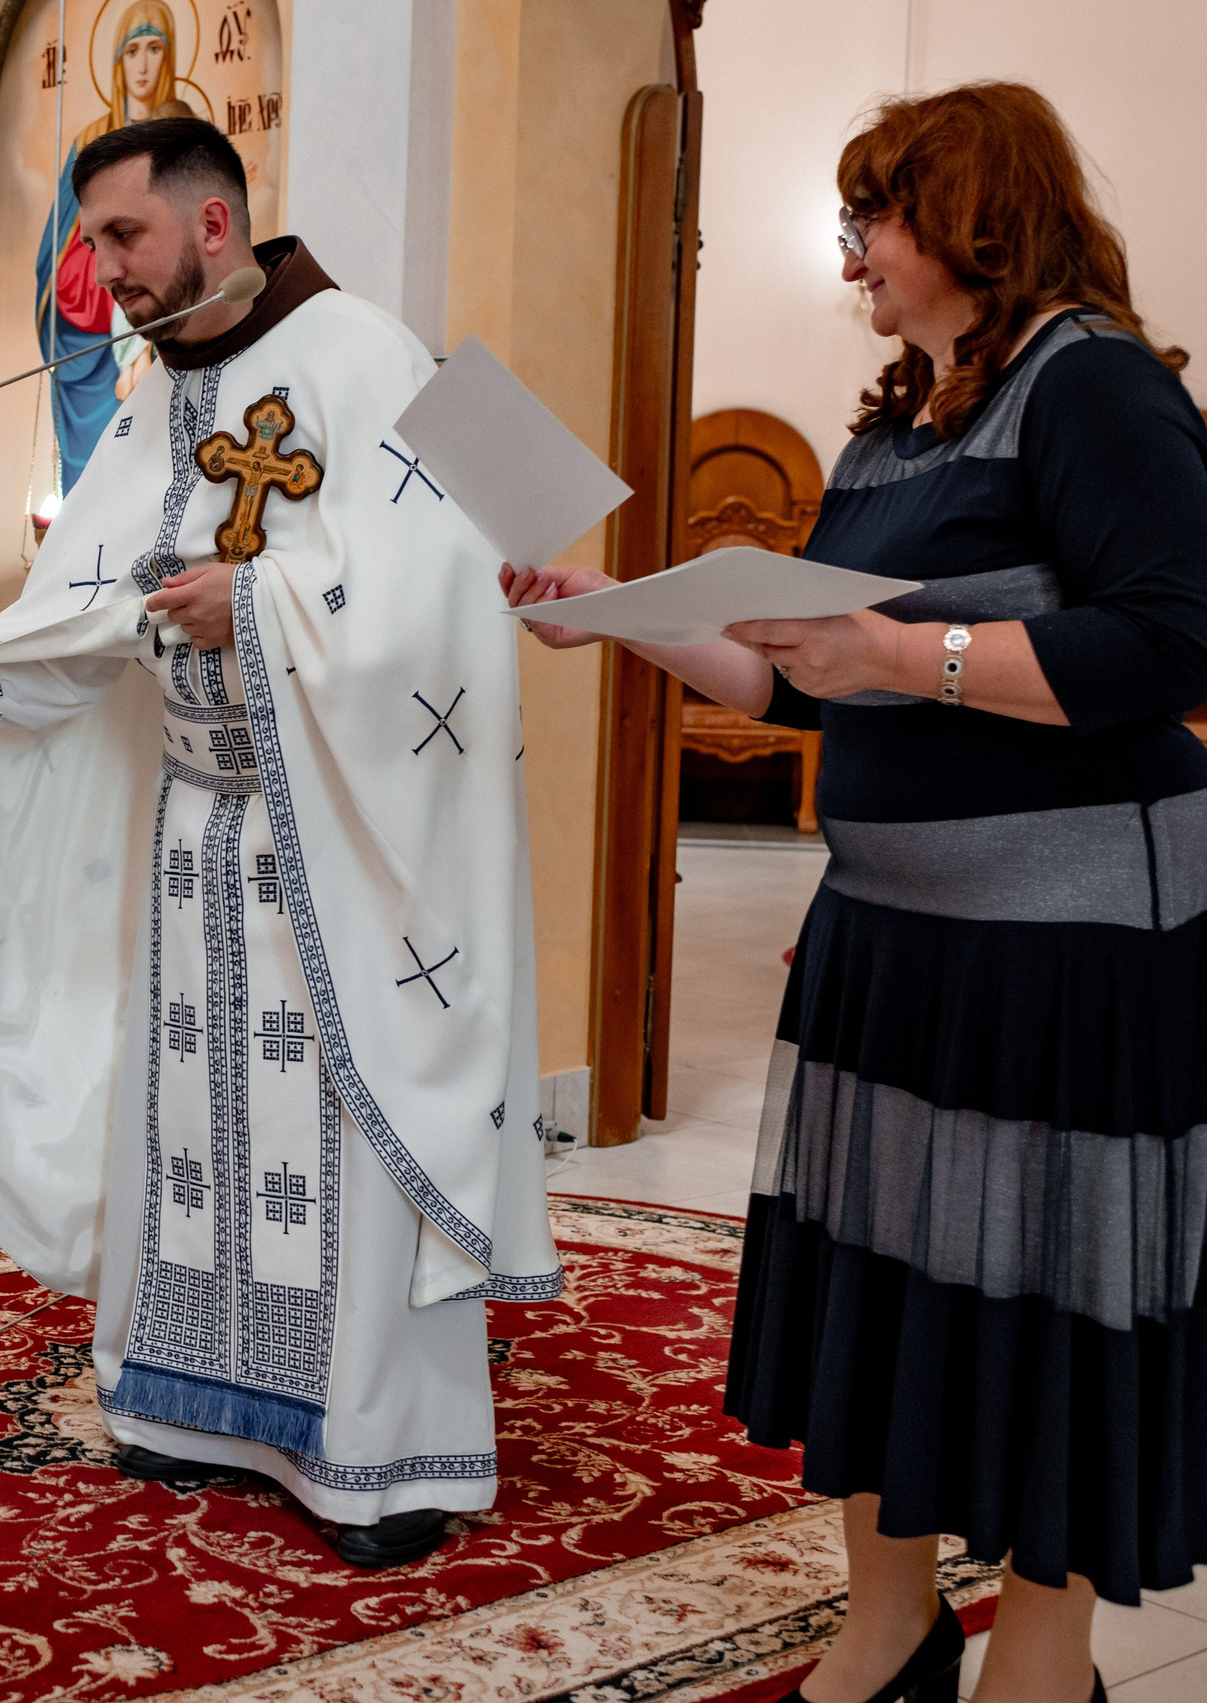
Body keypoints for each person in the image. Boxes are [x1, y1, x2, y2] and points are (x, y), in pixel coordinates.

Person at [507, 83, 1207, 1703]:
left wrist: (902, 650)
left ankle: (1046, 1662)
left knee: (1047, 1301)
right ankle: (884, 1629)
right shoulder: (891, 433)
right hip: (895, 944)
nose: (853, 264)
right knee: (885, 1287)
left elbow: (1172, 643)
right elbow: (800, 688)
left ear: (969, 209)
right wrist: (614, 609)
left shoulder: (1090, 386)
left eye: (870, 223)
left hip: (1071, 952)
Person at [0, 117, 558, 1569]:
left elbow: (456, 598)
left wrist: (263, 606)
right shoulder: (161, 393)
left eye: (124, 241)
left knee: (330, 1138)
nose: (104, 277)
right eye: (92, 244)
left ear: (214, 226)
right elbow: (84, 607)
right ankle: (197, 1406)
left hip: (341, 839)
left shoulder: (366, 353)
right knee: (194, 1132)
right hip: (195, 831)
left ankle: (375, 1454)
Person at [35, 0, 201, 494]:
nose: (144, 65)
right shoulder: (90, 140)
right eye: (133, 51)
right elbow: (57, 245)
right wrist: (90, 271)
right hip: (90, 329)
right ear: (116, 62)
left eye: (155, 48)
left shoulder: (187, 139)